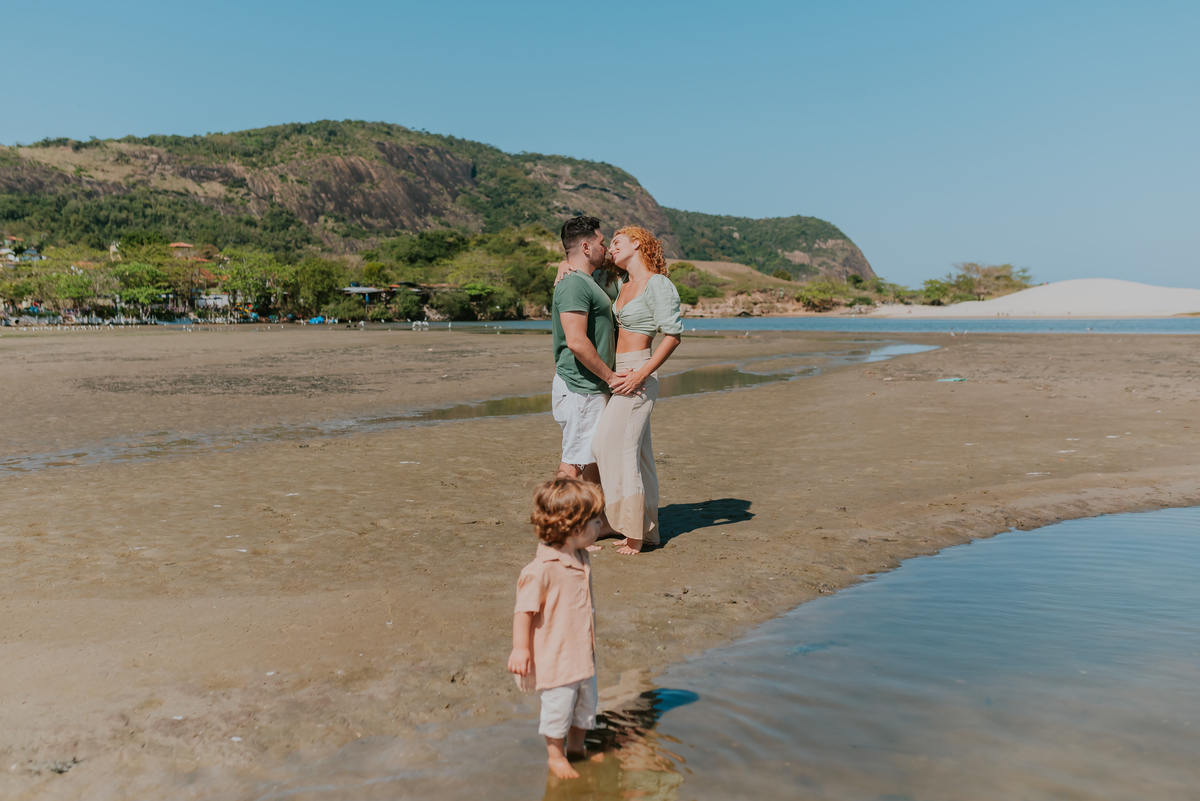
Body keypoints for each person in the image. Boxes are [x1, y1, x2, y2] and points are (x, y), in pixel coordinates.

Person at [556, 226, 683, 554]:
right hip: (618, 374)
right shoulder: (620, 282)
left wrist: (642, 373)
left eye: (616, 242)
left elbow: (673, 336)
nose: (610, 248)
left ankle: (634, 533)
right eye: (607, 243)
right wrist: (563, 264)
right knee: (639, 455)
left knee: (613, 448)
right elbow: (582, 263)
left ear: (637, 243)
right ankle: (646, 530)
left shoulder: (658, 284)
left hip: (638, 372)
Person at [508, 477, 606, 780]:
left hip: (583, 654)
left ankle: (576, 748)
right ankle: (556, 756)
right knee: (558, 708)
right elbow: (524, 611)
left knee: (585, 707)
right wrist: (520, 648)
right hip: (557, 657)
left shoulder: (580, 556)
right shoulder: (540, 570)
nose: (601, 524)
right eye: (596, 521)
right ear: (575, 530)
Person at [550, 216, 632, 486]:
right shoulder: (574, 283)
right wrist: (610, 377)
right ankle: (551, 510)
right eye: (602, 242)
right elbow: (575, 341)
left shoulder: (587, 279)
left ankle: (596, 512)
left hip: (589, 387)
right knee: (573, 463)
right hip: (581, 388)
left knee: (590, 458)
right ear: (586, 247)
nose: (606, 248)